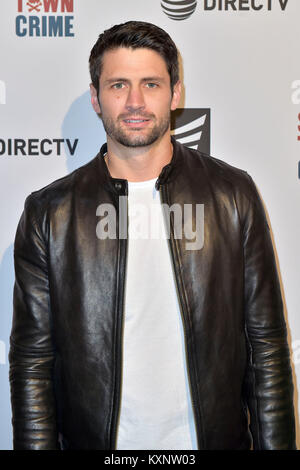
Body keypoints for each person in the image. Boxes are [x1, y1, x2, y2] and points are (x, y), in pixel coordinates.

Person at [9, 20, 296, 451]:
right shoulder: (50, 213)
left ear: (175, 93)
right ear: (96, 97)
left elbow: (267, 347)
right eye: (119, 85)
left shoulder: (232, 195)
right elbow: (33, 364)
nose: (135, 102)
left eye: (151, 84)